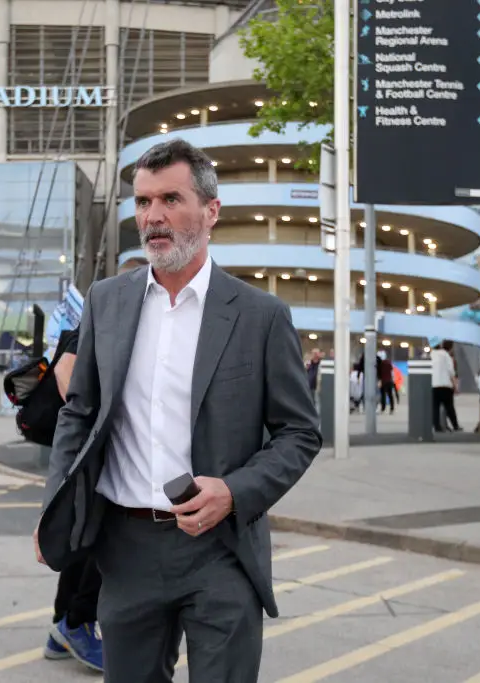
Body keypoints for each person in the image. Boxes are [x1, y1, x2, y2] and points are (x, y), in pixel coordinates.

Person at [33, 138, 322, 683]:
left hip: (222, 552)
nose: (153, 217)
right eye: (143, 202)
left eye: (170, 199)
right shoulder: (107, 301)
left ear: (211, 211)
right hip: (125, 550)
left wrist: (235, 492)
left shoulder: (260, 316)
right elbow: (80, 412)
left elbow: (299, 433)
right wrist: (56, 506)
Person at [45, 256, 148, 672]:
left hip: (97, 455)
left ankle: (60, 628)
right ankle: (76, 621)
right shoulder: (94, 324)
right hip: (93, 457)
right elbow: (68, 379)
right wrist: (100, 414)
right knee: (95, 543)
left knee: (84, 540)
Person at [431, 340, 459, 432]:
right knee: (449, 407)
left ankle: (437, 427)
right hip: (446, 385)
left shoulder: (431, 355)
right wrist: (456, 386)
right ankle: (455, 425)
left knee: (435, 407)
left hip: (434, 385)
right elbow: (451, 372)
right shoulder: (446, 355)